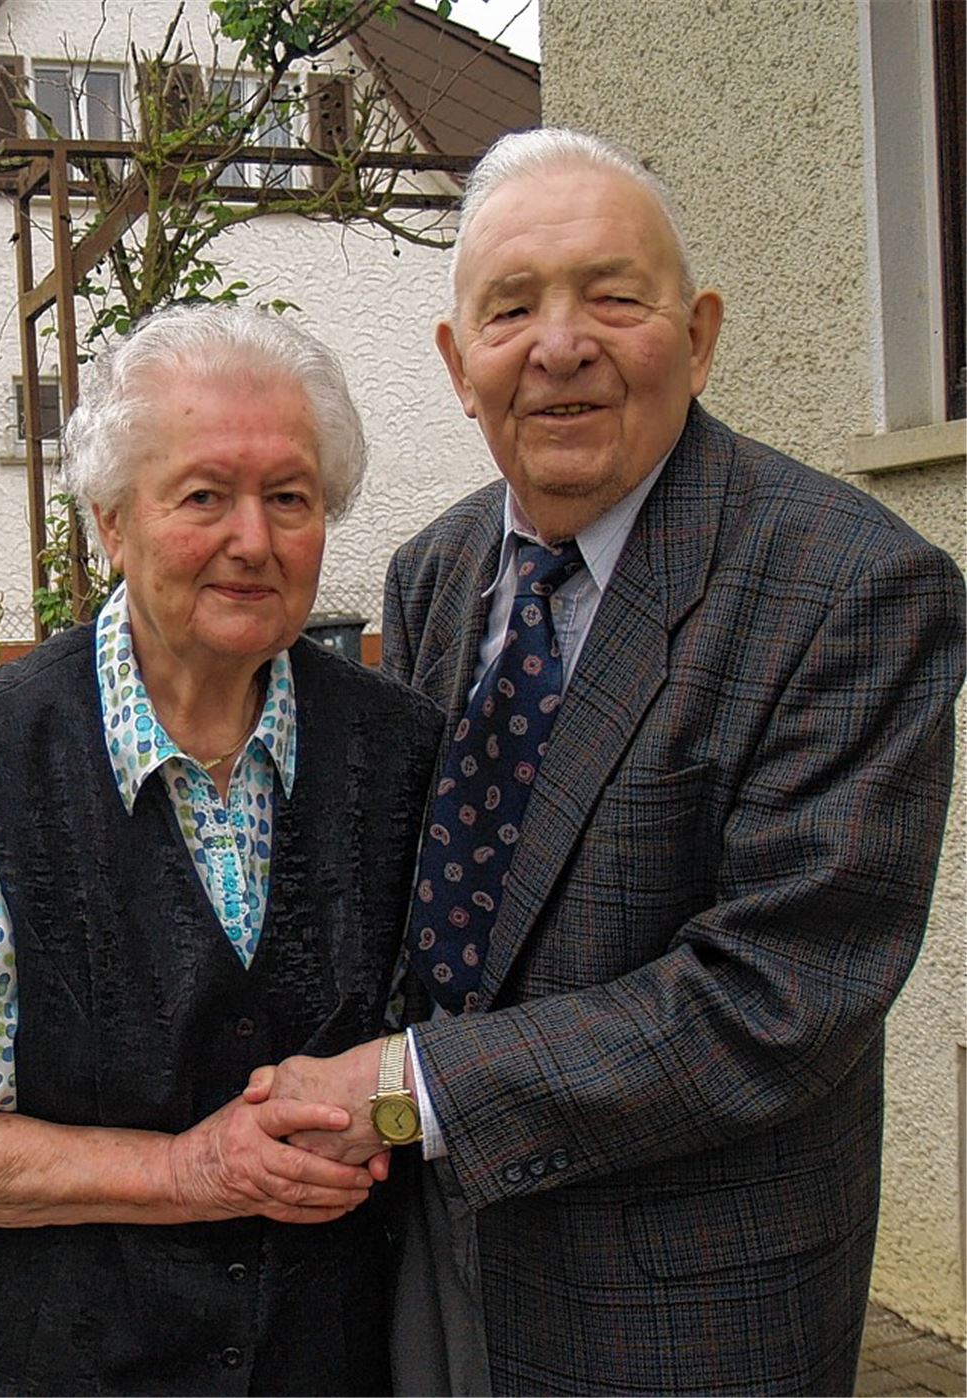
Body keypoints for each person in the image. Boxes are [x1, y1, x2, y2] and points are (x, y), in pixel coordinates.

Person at [248, 128, 967, 1396]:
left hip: (683, 1312)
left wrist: (411, 1089)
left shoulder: (853, 588)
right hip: (435, 1247)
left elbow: (776, 1001)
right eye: (511, 308)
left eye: (613, 298)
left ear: (697, 335)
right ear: (458, 363)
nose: (560, 345)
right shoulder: (437, 571)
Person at [0, 303, 444, 1396]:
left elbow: (448, 1045)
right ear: (112, 524)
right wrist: (187, 1170)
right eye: (204, 495)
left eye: (289, 499)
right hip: (34, 1360)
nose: (252, 540)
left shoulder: (397, 750)